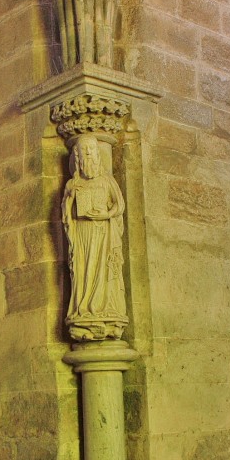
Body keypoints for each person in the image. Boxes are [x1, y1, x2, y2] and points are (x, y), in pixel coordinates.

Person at [62, 135, 128, 342]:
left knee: (103, 267)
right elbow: (65, 212)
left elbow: (120, 206)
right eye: (84, 151)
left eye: (91, 150)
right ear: (78, 157)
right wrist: (71, 195)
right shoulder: (73, 183)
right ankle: (83, 309)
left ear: (97, 155)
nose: (88, 154)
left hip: (103, 233)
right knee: (83, 270)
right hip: (82, 233)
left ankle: (105, 309)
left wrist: (106, 214)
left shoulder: (107, 180)